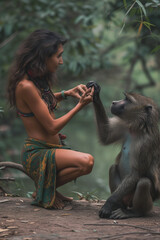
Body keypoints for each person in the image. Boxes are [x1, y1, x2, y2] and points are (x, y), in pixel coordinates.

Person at [7, 29, 94, 209]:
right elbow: (52, 127)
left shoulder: (36, 78)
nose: (61, 61)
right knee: (87, 162)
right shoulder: (25, 86)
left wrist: (66, 93)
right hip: (37, 154)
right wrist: (80, 105)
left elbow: (41, 102)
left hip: (50, 149)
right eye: (58, 56)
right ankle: (43, 190)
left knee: (85, 164)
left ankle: (45, 190)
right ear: (43, 56)